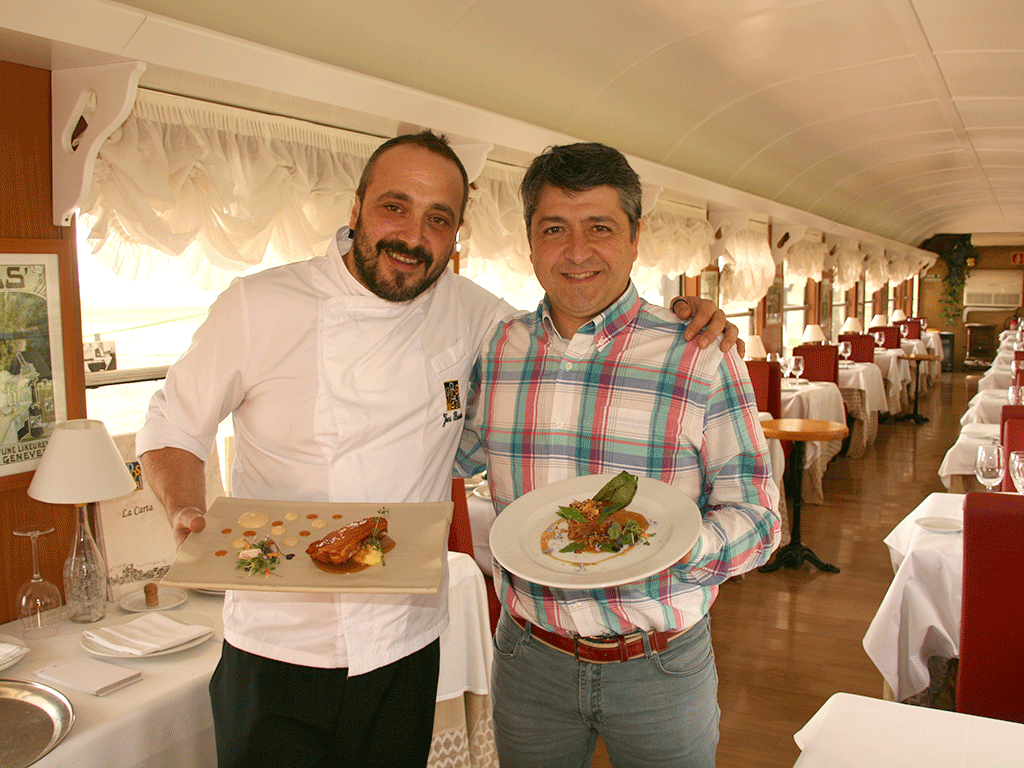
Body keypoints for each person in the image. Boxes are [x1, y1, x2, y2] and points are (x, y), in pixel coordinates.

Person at [137, 131, 739, 767]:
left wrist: (687, 318)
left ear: (456, 235)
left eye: (438, 219)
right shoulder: (257, 305)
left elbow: (577, 321)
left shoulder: (479, 317)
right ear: (355, 208)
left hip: (403, 640)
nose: (412, 236)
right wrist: (184, 510)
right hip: (277, 642)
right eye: (394, 207)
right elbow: (172, 423)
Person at [457, 142, 781, 768]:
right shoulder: (496, 349)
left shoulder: (700, 353)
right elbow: (450, 453)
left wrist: (669, 547)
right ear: (530, 243)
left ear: (635, 239)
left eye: (600, 228)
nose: (577, 252)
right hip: (527, 661)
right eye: (555, 229)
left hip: (660, 664)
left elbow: (760, 522)